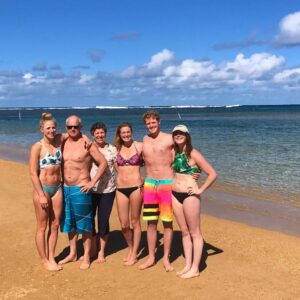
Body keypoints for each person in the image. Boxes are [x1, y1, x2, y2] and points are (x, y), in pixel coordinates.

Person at [59, 115, 108, 270]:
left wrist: (92, 182)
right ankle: (73, 253)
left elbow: (103, 163)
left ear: (81, 127)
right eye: (69, 127)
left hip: (81, 188)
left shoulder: (87, 144)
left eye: (76, 126)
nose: (72, 129)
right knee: (69, 224)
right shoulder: (63, 142)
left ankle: (86, 256)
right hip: (65, 188)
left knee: (85, 225)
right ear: (66, 128)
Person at [171, 124, 217, 279]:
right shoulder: (174, 152)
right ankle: (187, 265)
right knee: (184, 232)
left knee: (195, 232)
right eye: (176, 133)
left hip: (190, 196)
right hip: (175, 195)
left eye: (181, 133)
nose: (178, 135)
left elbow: (212, 174)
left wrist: (200, 190)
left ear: (187, 135)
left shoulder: (194, 154)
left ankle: (195, 268)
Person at [138, 110, 175, 271]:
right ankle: (152, 257)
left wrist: (194, 172)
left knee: (167, 223)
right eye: (148, 123)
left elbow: (185, 155)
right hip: (150, 185)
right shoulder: (144, 140)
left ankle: (166, 258)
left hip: (167, 184)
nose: (151, 125)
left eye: (153, 122)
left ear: (159, 122)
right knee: (151, 223)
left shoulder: (169, 138)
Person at [29, 112, 65, 271]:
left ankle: (51, 256)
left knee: (55, 224)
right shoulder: (37, 147)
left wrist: (87, 141)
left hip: (57, 188)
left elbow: (73, 132)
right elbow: (32, 173)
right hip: (42, 189)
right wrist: (41, 195)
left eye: (53, 127)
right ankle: (44, 260)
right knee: (42, 226)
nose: (51, 130)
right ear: (42, 129)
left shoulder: (58, 141)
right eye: (48, 128)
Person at [114, 122, 143, 266]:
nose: (126, 134)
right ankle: (131, 247)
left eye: (128, 132)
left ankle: (135, 252)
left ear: (131, 132)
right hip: (120, 188)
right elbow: (114, 166)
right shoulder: (116, 149)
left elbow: (157, 157)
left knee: (135, 221)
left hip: (136, 187)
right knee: (124, 225)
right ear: (119, 134)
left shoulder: (140, 146)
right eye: (123, 132)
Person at [90, 122, 117, 263]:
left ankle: (101, 251)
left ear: (105, 133)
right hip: (91, 190)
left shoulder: (113, 149)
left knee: (103, 221)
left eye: (102, 133)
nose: (100, 135)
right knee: (90, 221)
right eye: (97, 133)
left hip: (108, 190)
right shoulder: (88, 147)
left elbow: (118, 167)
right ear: (93, 134)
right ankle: (93, 249)